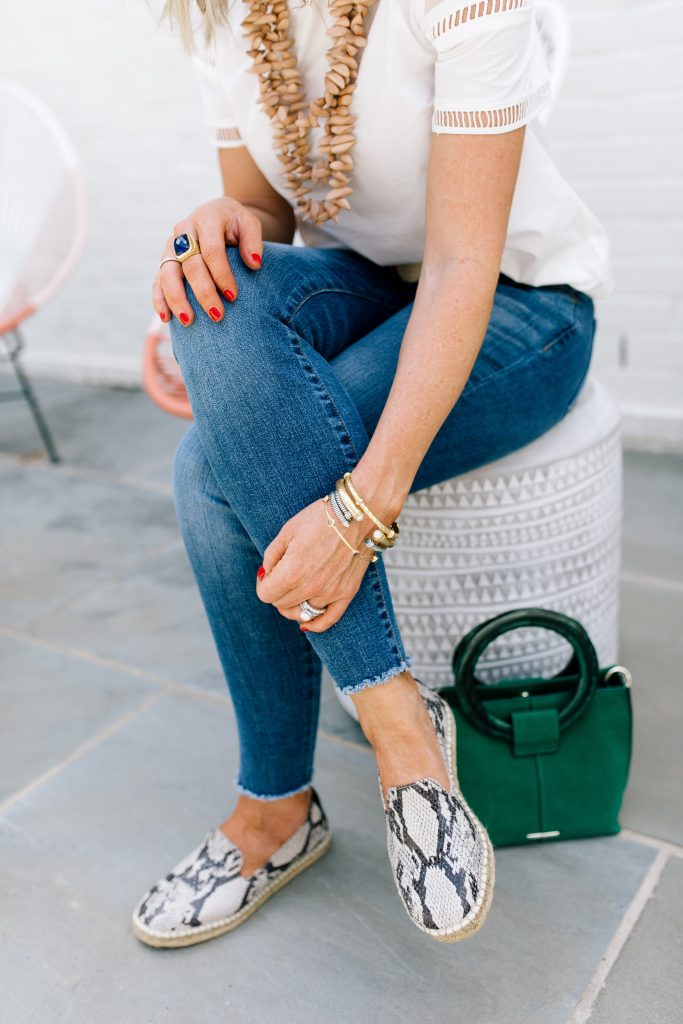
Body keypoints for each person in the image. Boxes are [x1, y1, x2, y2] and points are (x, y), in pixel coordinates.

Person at [132, 0, 610, 947]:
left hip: (517, 301)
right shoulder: (224, 16)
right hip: (369, 286)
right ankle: (397, 712)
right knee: (212, 296)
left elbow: (462, 261)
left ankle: (278, 810)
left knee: (210, 477)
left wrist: (356, 513)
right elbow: (270, 222)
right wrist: (223, 229)